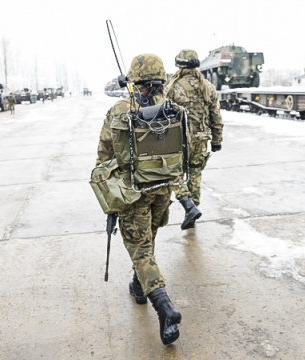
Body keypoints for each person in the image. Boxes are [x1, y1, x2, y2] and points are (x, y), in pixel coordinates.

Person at [95, 53, 183, 345]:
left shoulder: (119, 110)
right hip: (162, 190)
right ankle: (137, 285)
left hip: (132, 195)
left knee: (141, 249)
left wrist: (109, 194)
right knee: (147, 241)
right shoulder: (172, 109)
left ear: (134, 80)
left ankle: (165, 307)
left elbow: (103, 156)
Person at [166, 49, 223, 229]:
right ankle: (192, 209)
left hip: (178, 140)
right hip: (200, 139)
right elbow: (216, 117)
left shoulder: (172, 88)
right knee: (195, 173)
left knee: (173, 173)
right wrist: (216, 140)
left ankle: (187, 204)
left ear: (179, 66)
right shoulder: (207, 87)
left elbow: (163, 115)